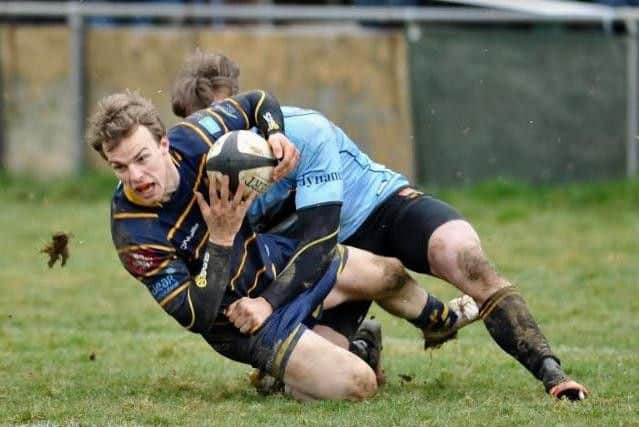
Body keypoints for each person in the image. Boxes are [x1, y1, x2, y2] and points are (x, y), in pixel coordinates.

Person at [169, 51, 589, 401]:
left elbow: (318, 238)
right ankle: (365, 343)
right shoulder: (198, 174)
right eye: (199, 127)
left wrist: (267, 304)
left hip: (377, 210)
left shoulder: (303, 131)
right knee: (303, 389)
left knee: (462, 256)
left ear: (239, 104)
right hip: (329, 258)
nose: (216, 134)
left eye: (223, 116)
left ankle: (552, 373)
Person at [86, 89, 476, 401]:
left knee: (388, 272)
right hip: (242, 324)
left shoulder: (196, 136)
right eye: (119, 167)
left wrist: (273, 133)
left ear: (164, 142)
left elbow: (258, 102)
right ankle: (315, 367)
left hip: (270, 261)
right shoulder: (134, 233)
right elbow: (195, 317)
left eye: (141, 158)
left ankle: (440, 321)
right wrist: (220, 242)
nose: (136, 176)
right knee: (360, 385)